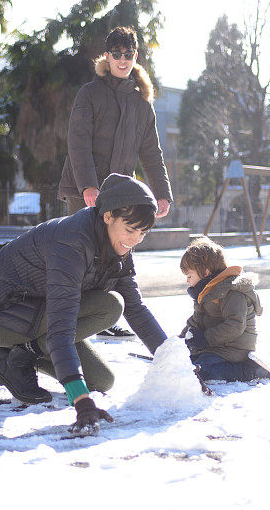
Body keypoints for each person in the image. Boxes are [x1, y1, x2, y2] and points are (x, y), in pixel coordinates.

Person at [0, 174, 168, 435]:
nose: (135, 240)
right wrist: (81, 401)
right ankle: (0, 349)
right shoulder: (71, 243)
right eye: (130, 229)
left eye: (142, 232)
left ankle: (12, 355)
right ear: (107, 216)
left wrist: (175, 362)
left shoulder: (117, 247)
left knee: (102, 381)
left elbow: (138, 310)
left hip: (41, 312)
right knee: (110, 305)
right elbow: (61, 326)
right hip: (0, 313)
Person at [59, 26, 174, 338]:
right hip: (86, 190)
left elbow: (152, 153)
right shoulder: (90, 94)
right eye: (116, 54)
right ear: (106, 56)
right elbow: (77, 142)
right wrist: (88, 186)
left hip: (121, 191)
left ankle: (106, 317)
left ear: (135, 57)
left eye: (128, 55)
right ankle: (73, 316)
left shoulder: (141, 105)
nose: (122, 60)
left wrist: (162, 193)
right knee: (82, 251)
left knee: (120, 249)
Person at [179, 237, 270, 383]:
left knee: (202, 371)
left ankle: (250, 371)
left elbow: (235, 325)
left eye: (189, 276)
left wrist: (205, 339)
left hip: (234, 348)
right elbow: (197, 319)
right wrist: (181, 340)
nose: (187, 281)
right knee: (188, 363)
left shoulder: (232, 291)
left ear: (205, 272)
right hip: (216, 346)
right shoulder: (205, 292)